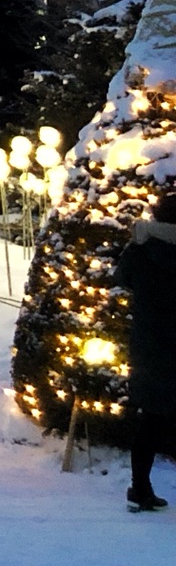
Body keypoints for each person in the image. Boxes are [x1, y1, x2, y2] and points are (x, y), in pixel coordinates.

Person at [115, 189, 176, 513]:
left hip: (150, 346)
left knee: (151, 421)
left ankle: (140, 487)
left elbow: (121, 278)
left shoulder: (141, 246)